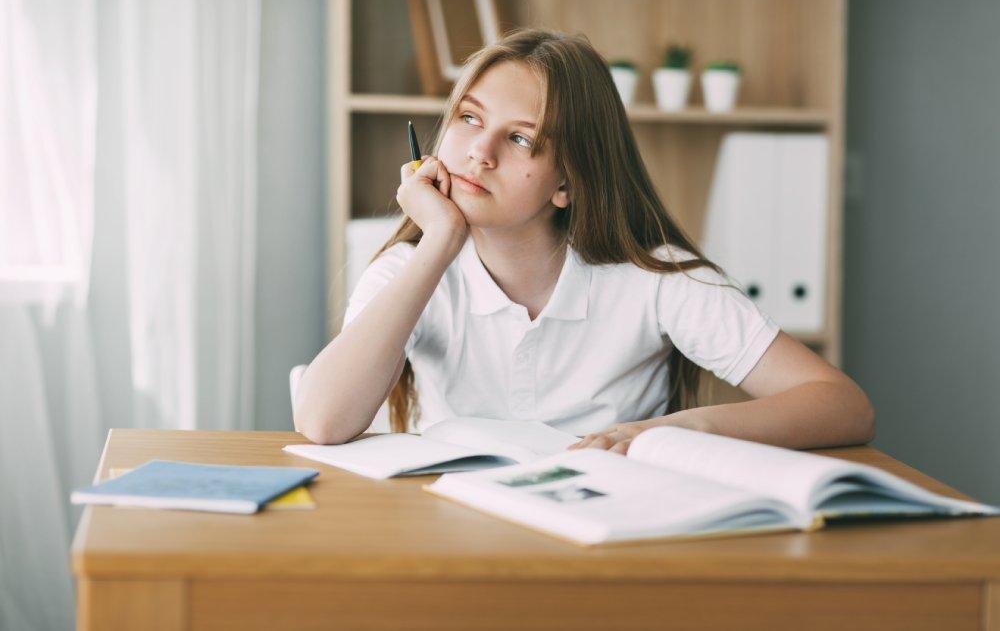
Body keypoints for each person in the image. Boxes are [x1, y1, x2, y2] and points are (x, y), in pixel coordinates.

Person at [294, 28, 875, 454]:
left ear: (568, 180)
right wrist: (440, 242)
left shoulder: (656, 278)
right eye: (469, 119)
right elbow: (322, 421)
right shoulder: (411, 268)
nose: (479, 151)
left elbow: (842, 404)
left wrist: (678, 428)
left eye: (521, 139)